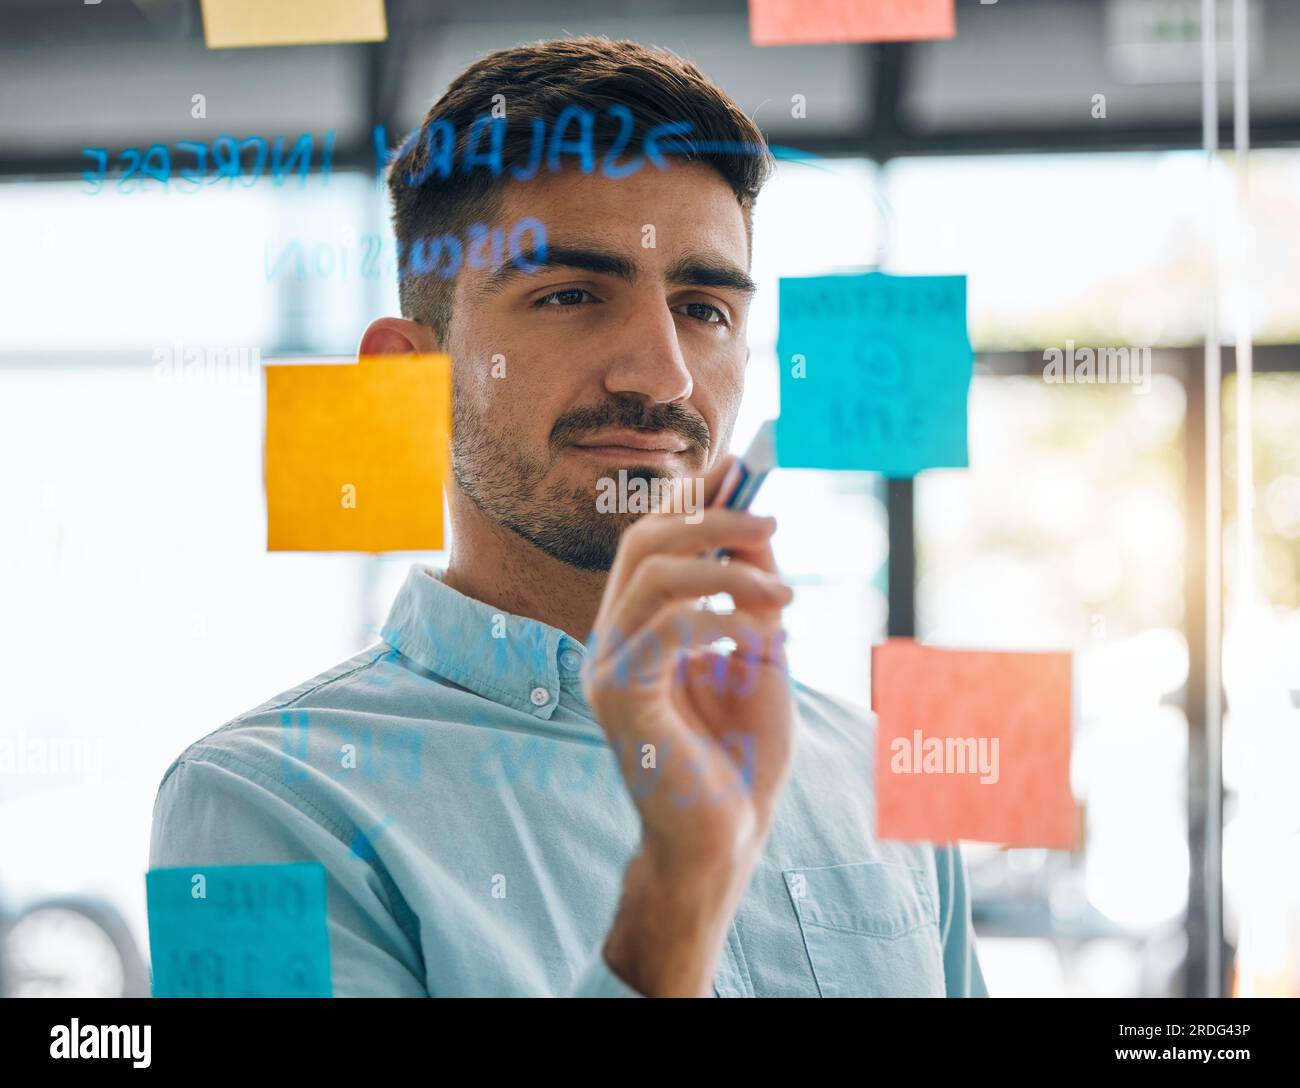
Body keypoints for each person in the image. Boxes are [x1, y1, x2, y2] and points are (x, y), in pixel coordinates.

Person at [149, 35, 988, 998]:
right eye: (571, 294)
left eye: (704, 308)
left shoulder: (877, 776)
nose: (663, 375)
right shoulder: (262, 808)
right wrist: (679, 889)